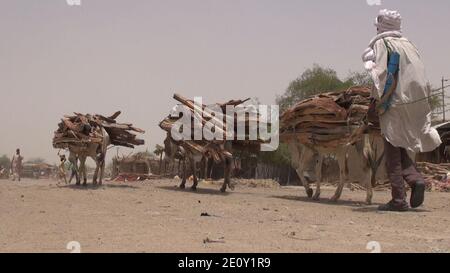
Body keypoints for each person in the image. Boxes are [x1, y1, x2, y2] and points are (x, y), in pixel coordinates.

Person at [362, 10, 442, 211]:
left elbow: (380, 76)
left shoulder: (383, 44)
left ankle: (398, 200)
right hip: (415, 103)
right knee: (399, 146)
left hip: (394, 103)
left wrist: (374, 102)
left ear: (382, 25)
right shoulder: (409, 44)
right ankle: (416, 180)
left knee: (391, 152)